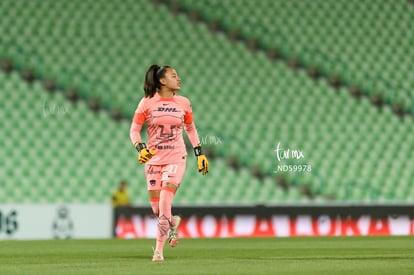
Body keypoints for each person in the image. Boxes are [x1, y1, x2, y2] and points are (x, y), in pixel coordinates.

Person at [129, 64, 209, 262]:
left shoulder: (184, 103)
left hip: (176, 157)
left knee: (165, 201)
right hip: (153, 161)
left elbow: (190, 128)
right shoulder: (147, 103)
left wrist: (199, 153)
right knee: (157, 210)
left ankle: (158, 251)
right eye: (174, 76)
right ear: (162, 81)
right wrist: (140, 148)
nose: (179, 79)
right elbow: (134, 130)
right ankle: (174, 222)